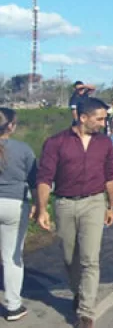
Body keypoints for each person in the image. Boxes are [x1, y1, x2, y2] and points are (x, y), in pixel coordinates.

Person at [35, 98, 113, 328]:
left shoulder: (105, 143)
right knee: (70, 259)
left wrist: (112, 206)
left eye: (104, 118)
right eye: (99, 118)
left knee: (90, 259)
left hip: (94, 202)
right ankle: (79, 293)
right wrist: (42, 209)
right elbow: (44, 178)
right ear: (83, 118)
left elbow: (110, 176)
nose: (103, 123)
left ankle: (85, 313)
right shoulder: (56, 143)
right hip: (65, 204)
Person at [0, 108, 37, 322]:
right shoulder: (23, 149)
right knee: (12, 257)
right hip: (15, 204)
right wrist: (40, 207)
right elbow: (34, 182)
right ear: (11, 126)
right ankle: (13, 306)